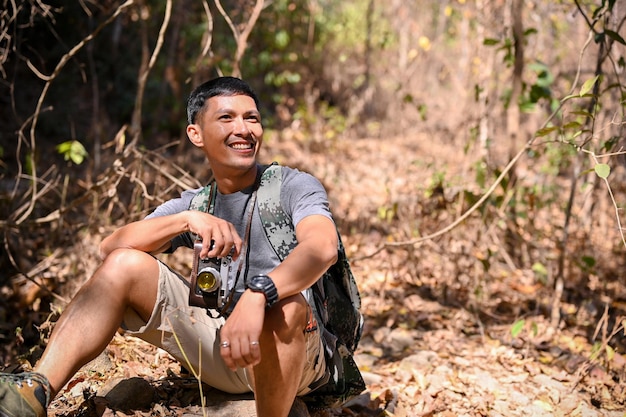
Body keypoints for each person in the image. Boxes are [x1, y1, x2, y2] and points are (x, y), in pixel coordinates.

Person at [0, 76, 340, 417]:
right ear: (196, 135)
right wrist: (186, 220)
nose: (244, 129)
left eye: (251, 118)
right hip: (222, 347)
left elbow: (323, 247)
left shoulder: (293, 185)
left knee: (286, 306)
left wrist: (259, 295)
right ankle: (33, 394)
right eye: (227, 118)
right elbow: (111, 247)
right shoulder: (197, 203)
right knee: (123, 264)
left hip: (294, 357)